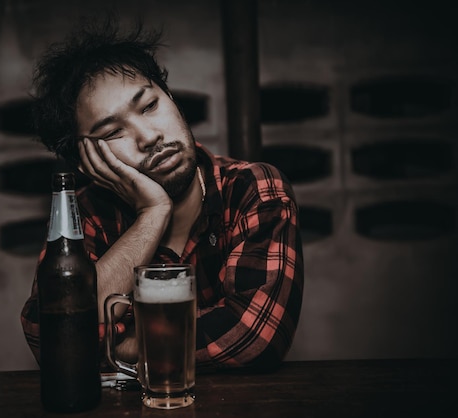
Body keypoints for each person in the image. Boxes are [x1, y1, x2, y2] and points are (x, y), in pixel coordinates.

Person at [21, 17, 304, 372]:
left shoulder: (252, 188)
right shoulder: (84, 214)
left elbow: (254, 335)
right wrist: (153, 212)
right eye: (112, 132)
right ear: (86, 162)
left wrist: (114, 346)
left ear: (171, 98)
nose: (149, 136)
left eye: (150, 105)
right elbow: (50, 339)